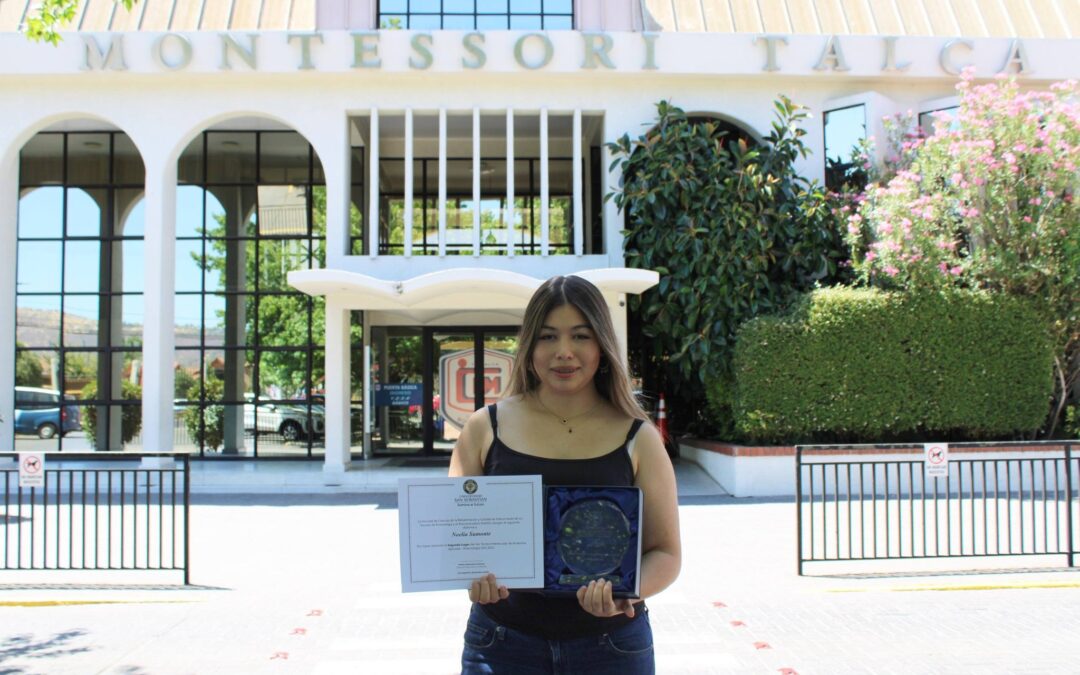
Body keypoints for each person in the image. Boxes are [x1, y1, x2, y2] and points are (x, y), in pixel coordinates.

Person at [449, 275, 681, 674]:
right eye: (548, 336)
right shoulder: (483, 428)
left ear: (602, 345)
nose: (564, 352)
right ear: (529, 346)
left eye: (580, 336)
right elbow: (457, 537)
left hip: (612, 648)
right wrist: (470, 572)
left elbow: (666, 553)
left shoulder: (639, 437)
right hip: (500, 646)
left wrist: (627, 592)